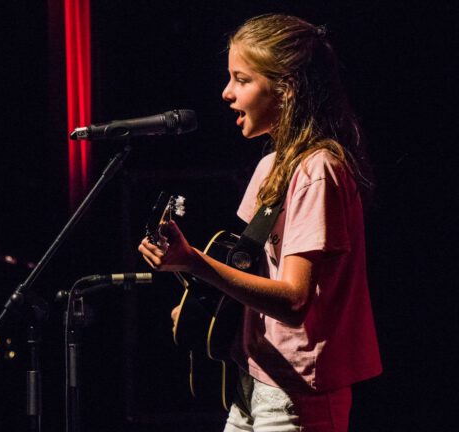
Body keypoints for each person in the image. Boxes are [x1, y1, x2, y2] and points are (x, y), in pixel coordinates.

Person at [139, 13, 381, 432]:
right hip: (252, 380)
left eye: (241, 79)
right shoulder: (273, 165)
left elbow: (293, 299)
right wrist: (195, 292)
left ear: (286, 88)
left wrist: (195, 262)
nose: (226, 93)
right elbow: (249, 267)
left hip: (297, 393)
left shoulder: (318, 169)